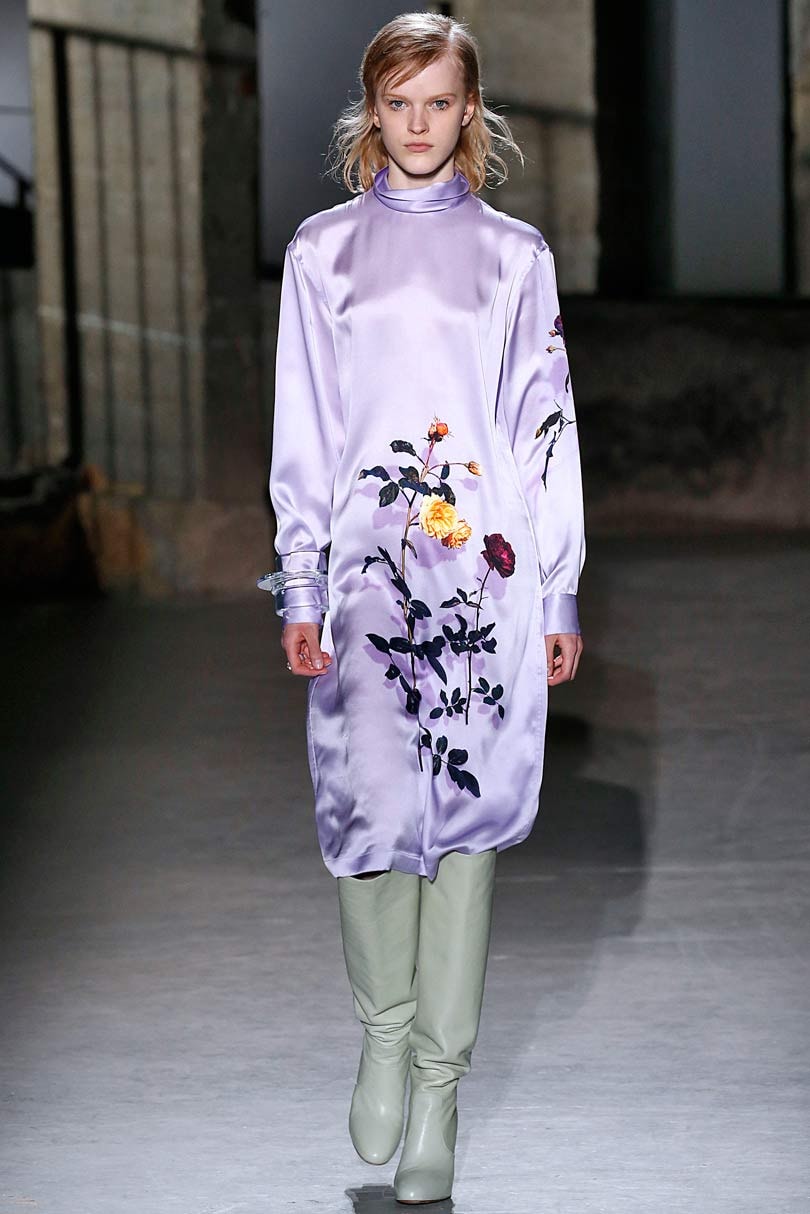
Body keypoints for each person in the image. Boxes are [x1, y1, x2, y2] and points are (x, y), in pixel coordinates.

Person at [263, 12, 585, 1205]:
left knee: (468, 819)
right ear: (372, 110)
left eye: (438, 101)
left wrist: (557, 585)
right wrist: (301, 575)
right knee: (367, 806)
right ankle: (384, 1034)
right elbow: (305, 423)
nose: (416, 122)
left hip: (485, 576)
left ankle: (439, 1091)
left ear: (469, 111)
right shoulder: (321, 255)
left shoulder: (514, 257)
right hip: (366, 576)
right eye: (397, 102)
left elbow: (544, 428)